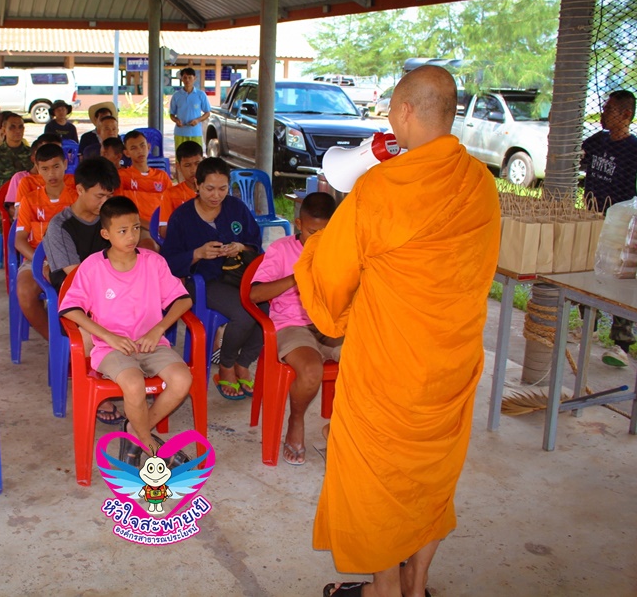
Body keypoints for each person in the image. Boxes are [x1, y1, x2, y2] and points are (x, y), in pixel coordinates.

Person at [296, 65, 500, 597]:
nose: (389, 119)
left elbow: (331, 280)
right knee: (431, 476)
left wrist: (315, 247)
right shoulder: (479, 182)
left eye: (391, 109)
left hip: (390, 368)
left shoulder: (381, 188)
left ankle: (384, 589)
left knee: (376, 478)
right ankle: (417, 582)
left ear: (406, 111)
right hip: (451, 363)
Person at [60, 196, 193, 462]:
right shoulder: (93, 267)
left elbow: (183, 300)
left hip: (151, 343)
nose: (131, 236)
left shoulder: (153, 262)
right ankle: (152, 447)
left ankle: (134, 432)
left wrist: (158, 329)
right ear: (106, 234)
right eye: (122, 231)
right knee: (133, 384)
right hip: (112, 348)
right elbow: (69, 308)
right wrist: (107, 336)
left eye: (135, 228)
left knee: (182, 380)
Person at [249, 191, 340, 466]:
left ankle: (341, 426)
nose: (319, 238)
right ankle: (296, 419)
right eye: (312, 232)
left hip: (329, 322)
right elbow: (255, 294)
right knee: (311, 370)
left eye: (325, 232)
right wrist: (296, 277)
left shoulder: (338, 249)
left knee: (368, 361)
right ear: (299, 224)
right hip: (292, 323)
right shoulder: (281, 250)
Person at [161, 157, 263, 400]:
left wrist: (241, 247)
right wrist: (197, 254)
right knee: (244, 313)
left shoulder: (236, 208)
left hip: (238, 275)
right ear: (197, 185)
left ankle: (243, 362)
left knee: (268, 307)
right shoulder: (182, 217)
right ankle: (226, 365)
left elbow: (255, 243)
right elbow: (167, 263)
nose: (216, 195)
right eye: (209, 188)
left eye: (222, 188)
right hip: (203, 282)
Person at [43, 157, 124, 424]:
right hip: (75, 300)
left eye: (109, 196)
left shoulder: (110, 219)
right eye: (100, 196)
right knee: (91, 331)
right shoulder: (60, 226)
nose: (105, 202)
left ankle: (131, 375)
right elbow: (77, 276)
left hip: (111, 291)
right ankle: (98, 390)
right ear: (79, 190)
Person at [579, 90, 637, 368]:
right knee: (587, 271)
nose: (603, 114)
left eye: (609, 109)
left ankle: (621, 344)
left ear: (626, 114)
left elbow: (636, 194)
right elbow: (579, 159)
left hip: (619, 225)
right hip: (592, 216)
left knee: (620, 279)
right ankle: (589, 327)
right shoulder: (598, 141)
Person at [14, 143, 77, 341]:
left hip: (72, 260)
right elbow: (19, 241)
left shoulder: (78, 198)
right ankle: (56, 340)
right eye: (45, 168)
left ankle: (78, 336)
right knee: (24, 292)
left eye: (56, 166)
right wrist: (41, 261)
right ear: (37, 169)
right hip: (36, 259)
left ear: (65, 164)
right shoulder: (29, 200)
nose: (51, 173)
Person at [118, 130, 171, 250]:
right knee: (149, 246)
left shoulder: (162, 176)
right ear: (126, 153)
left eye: (142, 145)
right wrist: (150, 226)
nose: (140, 151)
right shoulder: (122, 177)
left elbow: (171, 205)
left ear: (149, 147)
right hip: (138, 226)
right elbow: (120, 209)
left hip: (161, 226)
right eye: (133, 148)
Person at [158, 140, 203, 238]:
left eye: (197, 163)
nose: (193, 170)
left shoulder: (212, 192)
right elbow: (164, 231)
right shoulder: (170, 194)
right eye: (187, 165)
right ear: (178, 166)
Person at [0, 112, 32, 199]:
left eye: (20, 127)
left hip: (28, 199)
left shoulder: (32, 154)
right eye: (12, 127)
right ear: (4, 130)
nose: (17, 130)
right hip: (4, 201)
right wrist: (4, 195)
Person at [168, 67, 211, 150]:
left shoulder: (201, 94)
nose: (187, 80)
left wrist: (197, 120)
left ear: (195, 78)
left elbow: (207, 113)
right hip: (180, 133)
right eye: (185, 77)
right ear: (181, 79)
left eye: (190, 77)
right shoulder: (176, 96)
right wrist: (176, 120)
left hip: (195, 133)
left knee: (196, 155)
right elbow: (172, 114)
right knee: (180, 156)